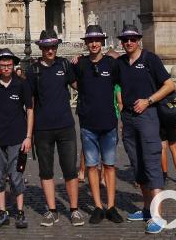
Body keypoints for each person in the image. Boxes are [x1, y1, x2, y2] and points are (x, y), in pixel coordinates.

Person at [112, 24, 176, 234]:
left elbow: (169, 85)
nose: (128, 42)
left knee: (151, 161)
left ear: (138, 39)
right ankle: (147, 208)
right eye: (125, 39)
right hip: (129, 118)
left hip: (147, 116)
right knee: (136, 162)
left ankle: (158, 215)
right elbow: (105, 73)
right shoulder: (121, 63)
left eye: (132, 39)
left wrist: (148, 100)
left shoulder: (150, 60)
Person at [28, 30, 84, 226]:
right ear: (41, 48)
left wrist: (82, 62)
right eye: (46, 47)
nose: (50, 50)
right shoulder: (33, 70)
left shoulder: (65, 65)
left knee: (70, 170)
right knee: (46, 171)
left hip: (66, 126)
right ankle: (52, 210)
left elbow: (80, 85)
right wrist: (29, 133)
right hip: (42, 129)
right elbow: (30, 103)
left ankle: (74, 210)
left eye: (53, 46)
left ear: (56, 47)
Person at [73, 25, 124, 224]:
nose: (94, 44)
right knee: (92, 167)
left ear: (102, 42)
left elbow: (122, 84)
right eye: (90, 40)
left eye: (97, 40)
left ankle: (111, 206)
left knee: (109, 166)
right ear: (86, 43)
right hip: (88, 124)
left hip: (109, 123)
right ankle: (97, 206)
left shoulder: (112, 64)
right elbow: (71, 80)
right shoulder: (79, 64)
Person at [0, 49, 33, 229]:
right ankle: (3, 211)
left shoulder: (22, 84)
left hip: (18, 138)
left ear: (13, 65)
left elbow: (30, 110)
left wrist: (28, 136)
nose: (6, 67)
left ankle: (19, 212)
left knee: (17, 175)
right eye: (3, 65)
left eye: (9, 64)